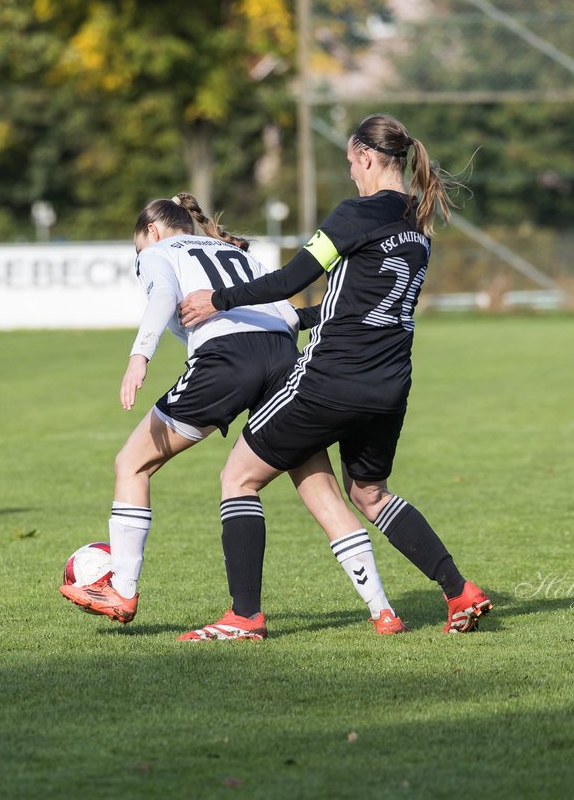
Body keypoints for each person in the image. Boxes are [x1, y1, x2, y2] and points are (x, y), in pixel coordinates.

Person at [179, 113, 493, 639]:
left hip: (330, 380)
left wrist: (220, 300)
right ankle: (459, 591)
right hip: (390, 386)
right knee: (370, 495)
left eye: (351, 162)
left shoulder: (355, 214)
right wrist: (300, 319)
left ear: (367, 157)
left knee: (238, 478)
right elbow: (357, 302)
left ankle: (244, 616)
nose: (350, 174)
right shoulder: (418, 224)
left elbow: (291, 277)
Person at [58, 192, 406, 637]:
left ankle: (122, 589)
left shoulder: (158, 252)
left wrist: (139, 356)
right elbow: (286, 313)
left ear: (153, 231)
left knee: (132, 463)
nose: (138, 256)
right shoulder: (234, 251)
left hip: (227, 363)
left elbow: (163, 295)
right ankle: (383, 610)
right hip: (284, 357)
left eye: (137, 246)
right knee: (317, 482)